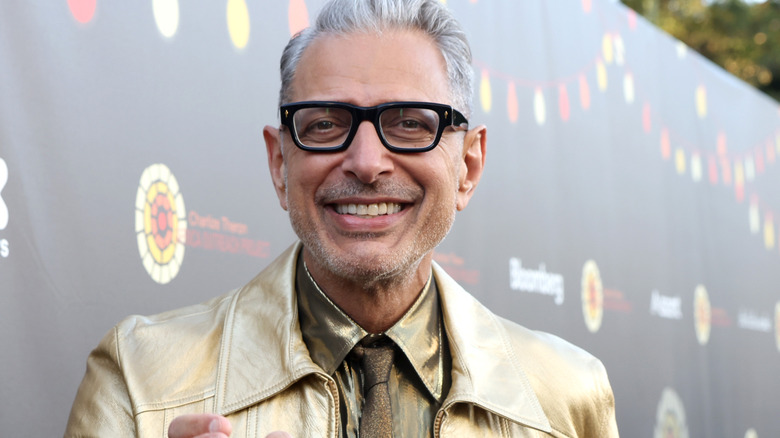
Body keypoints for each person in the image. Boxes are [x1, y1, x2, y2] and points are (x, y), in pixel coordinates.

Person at [66, 0, 619, 436]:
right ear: (280, 163)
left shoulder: (568, 400)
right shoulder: (139, 382)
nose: (366, 162)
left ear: (468, 165)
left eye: (408, 123)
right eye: (326, 124)